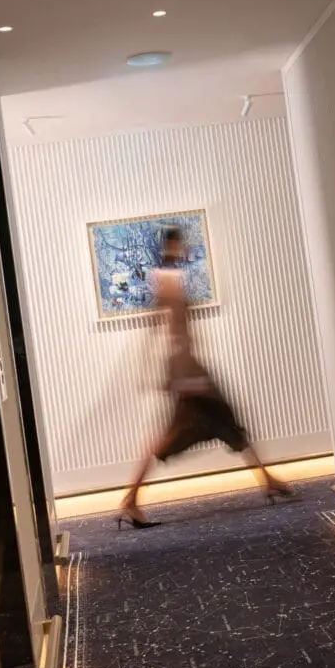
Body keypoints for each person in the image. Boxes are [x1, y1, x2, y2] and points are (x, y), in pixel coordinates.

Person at [119, 225, 296, 528]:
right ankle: (131, 499)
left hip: (186, 367)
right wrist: (186, 376)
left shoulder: (163, 277)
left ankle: (267, 479)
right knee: (178, 434)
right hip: (188, 369)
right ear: (173, 246)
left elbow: (159, 329)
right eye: (181, 244)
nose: (185, 248)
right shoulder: (170, 279)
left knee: (224, 420)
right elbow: (175, 330)